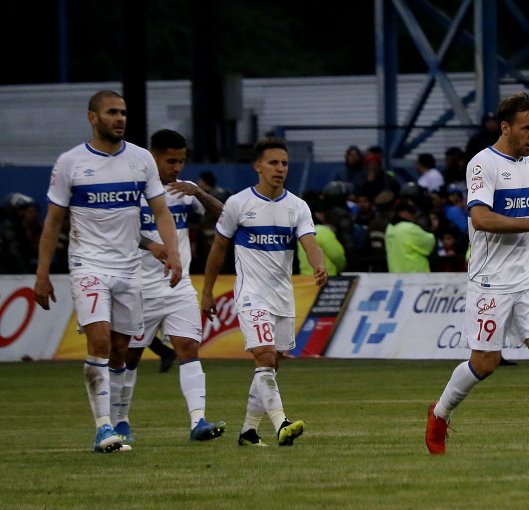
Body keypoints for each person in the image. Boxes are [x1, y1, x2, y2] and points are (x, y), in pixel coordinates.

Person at [33, 90, 182, 453]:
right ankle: (102, 429)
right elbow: (53, 222)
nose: (120, 118)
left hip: (129, 266)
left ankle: (120, 419)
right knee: (99, 342)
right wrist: (42, 273)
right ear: (93, 118)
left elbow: (161, 212)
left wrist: (173, 254)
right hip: (88, 264)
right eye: (112, 112)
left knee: (122, 350)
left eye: (123, 113)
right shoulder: (70, 163)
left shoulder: (141, 159)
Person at [425, 92, 529, 455]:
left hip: (528, 276)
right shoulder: (482, 164)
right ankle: (440, 413)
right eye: (526, 128)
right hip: (491, 280)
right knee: (485, 363)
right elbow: (481, 218)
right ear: (505, 127)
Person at [201, 137, 327, 447]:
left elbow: (309, 242)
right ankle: (281, 423)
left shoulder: (297, 206)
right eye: (273, 162)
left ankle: (248, 431)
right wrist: (207, 291)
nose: (280, 168)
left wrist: (318, 265)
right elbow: (218, 249)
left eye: (284, 163)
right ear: (258, 166)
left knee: (272, 362)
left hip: (282, 297)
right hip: (250, 295)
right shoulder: (238, 204)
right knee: (265, 355)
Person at [111, 129, 226, 444]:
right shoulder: (134, 192)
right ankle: (120, 420)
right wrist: (151, 246)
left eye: (181, 161)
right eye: (170, 160)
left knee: (188, 349)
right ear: (153, 157)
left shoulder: (183, 193)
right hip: (139, 287)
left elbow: (225, 217)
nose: (176, 167)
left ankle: (198, 421)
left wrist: (199, 193)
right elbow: (121, 232)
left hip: (178, 286)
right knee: (129, 357)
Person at [385, 200, 435, 273]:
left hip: (396, 275)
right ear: (401, 213)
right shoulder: (409, 228)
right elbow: (430, 242)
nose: (413, 215)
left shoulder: (389, 228)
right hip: (415, 275)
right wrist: (432, 230)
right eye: (410, 211)